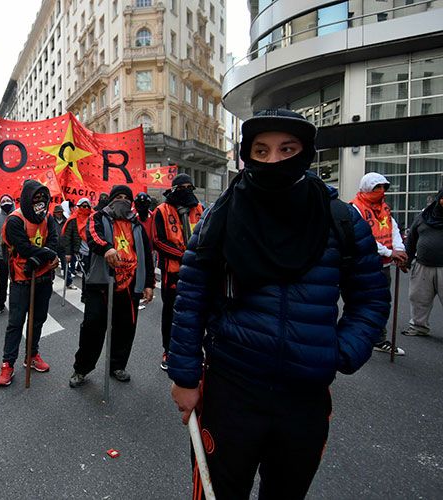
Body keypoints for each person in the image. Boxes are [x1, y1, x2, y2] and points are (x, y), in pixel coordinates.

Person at [168, 109, 390, 499]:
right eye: (262, 150)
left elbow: (370, 297)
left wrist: (341, 351)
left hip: (304, 397)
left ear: (305, 154)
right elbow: (190, 297)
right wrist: (185, 378)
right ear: (248, 156)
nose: (274, 161)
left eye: (287, 149)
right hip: (232, 390)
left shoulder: (340, 220)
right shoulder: (221, 216)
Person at [69, 185, 155, 388]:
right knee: (92, 327)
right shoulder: (98, 218)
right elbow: (93, 236)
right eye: (118, 196)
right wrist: (106, 248)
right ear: (111, 199)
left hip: (130, 284)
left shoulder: (137, 226)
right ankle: (81, 369)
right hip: (102, 283)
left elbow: (147, 256)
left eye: (127, 197)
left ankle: (117, 365)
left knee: (126, 328)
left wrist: (149, 283)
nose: (122, 200)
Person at [0, 180, 60, 387]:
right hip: (22, 280)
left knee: (38, 320)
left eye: (44, 198)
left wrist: (37, 259)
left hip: (43, 277)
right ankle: (8, 363)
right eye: (36, 199)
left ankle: (31, 355)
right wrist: (46, 255)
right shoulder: (15, 220)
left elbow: (53, 241)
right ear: (26, 199)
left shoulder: (48, 218)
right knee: (16, 323)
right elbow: (23, 247)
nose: (40, 202)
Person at [351, 172, 407, 356]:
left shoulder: (384, 208)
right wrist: (390, 252)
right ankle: (356, 336)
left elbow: (394, 230)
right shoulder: (355, 208)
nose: (381, 191)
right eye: (377, 187)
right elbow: (362, 237)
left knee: (381, 303)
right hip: (363, 265)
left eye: (384, 187)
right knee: (361, 302)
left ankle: (379, 339)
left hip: (383, 265)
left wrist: (399, 250)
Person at [153, 175, 203, 370]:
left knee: (196, 314)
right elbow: (158, 241)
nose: (186, 190)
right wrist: (184, 256)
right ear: (173, 189)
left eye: (190, 187)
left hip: (197, 273)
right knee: (171, 313)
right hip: (172, 273)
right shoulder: (162, 211)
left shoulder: (199, 209)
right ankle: (168, 350)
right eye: (182, 187)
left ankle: (193, 352)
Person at [401, 188, 443, 337]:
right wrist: (406, 260)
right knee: (418, 298)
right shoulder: (423, 217)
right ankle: (419, 327)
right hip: (422, 265)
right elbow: (412, 239)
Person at [62, 198, 92, 298]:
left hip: (92, 251)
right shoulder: (73, 220)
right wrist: (68, 253)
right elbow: (68, 237)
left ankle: (90, 294)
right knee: (86, 274)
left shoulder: (93, 218)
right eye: (83, 206)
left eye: (88, 206)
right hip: (80, 251)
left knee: (91, 274)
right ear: (78, 207)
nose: (86, 208)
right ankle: (85, 295)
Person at [53, 204, 75, 290]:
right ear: (54, 213)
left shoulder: (66, 221)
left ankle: (69, 282)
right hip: (53, 247)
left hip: (63, 247)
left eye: (60, 212)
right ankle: (49, 284)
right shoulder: (51, 221)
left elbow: (70, 234)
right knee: (51, 267)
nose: (59, 213)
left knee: (66, 266)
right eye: (57, 212)